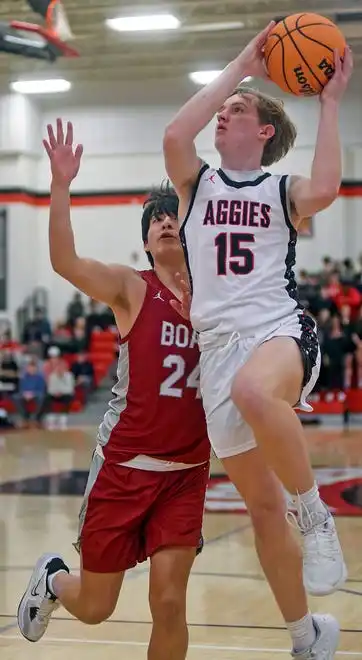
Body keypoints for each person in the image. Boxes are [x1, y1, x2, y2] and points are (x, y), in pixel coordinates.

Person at [163, 21, 353, 659]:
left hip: (277, 330)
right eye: (223, 109)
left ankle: (318, 516)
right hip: (215, 351)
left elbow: (326, 189)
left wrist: (330, 102)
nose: (223, 114)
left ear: (264, 131)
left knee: (255, 391)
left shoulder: (281, 189)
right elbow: (173, 133)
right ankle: (306, 637)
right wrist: (243, 63)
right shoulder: (197, 186)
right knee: (261, 512)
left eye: (236, 110)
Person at [17, 119, 210, 660]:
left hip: (187, 471)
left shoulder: (217, 297)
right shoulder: (131, 288)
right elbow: (65, 262)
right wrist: (59, 187)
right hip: (126, 466)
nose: (166, 221)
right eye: (155, 220)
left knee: (170, 602)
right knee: (98, 607)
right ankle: (54, 580)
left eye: (173, 214)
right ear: (146, 242)